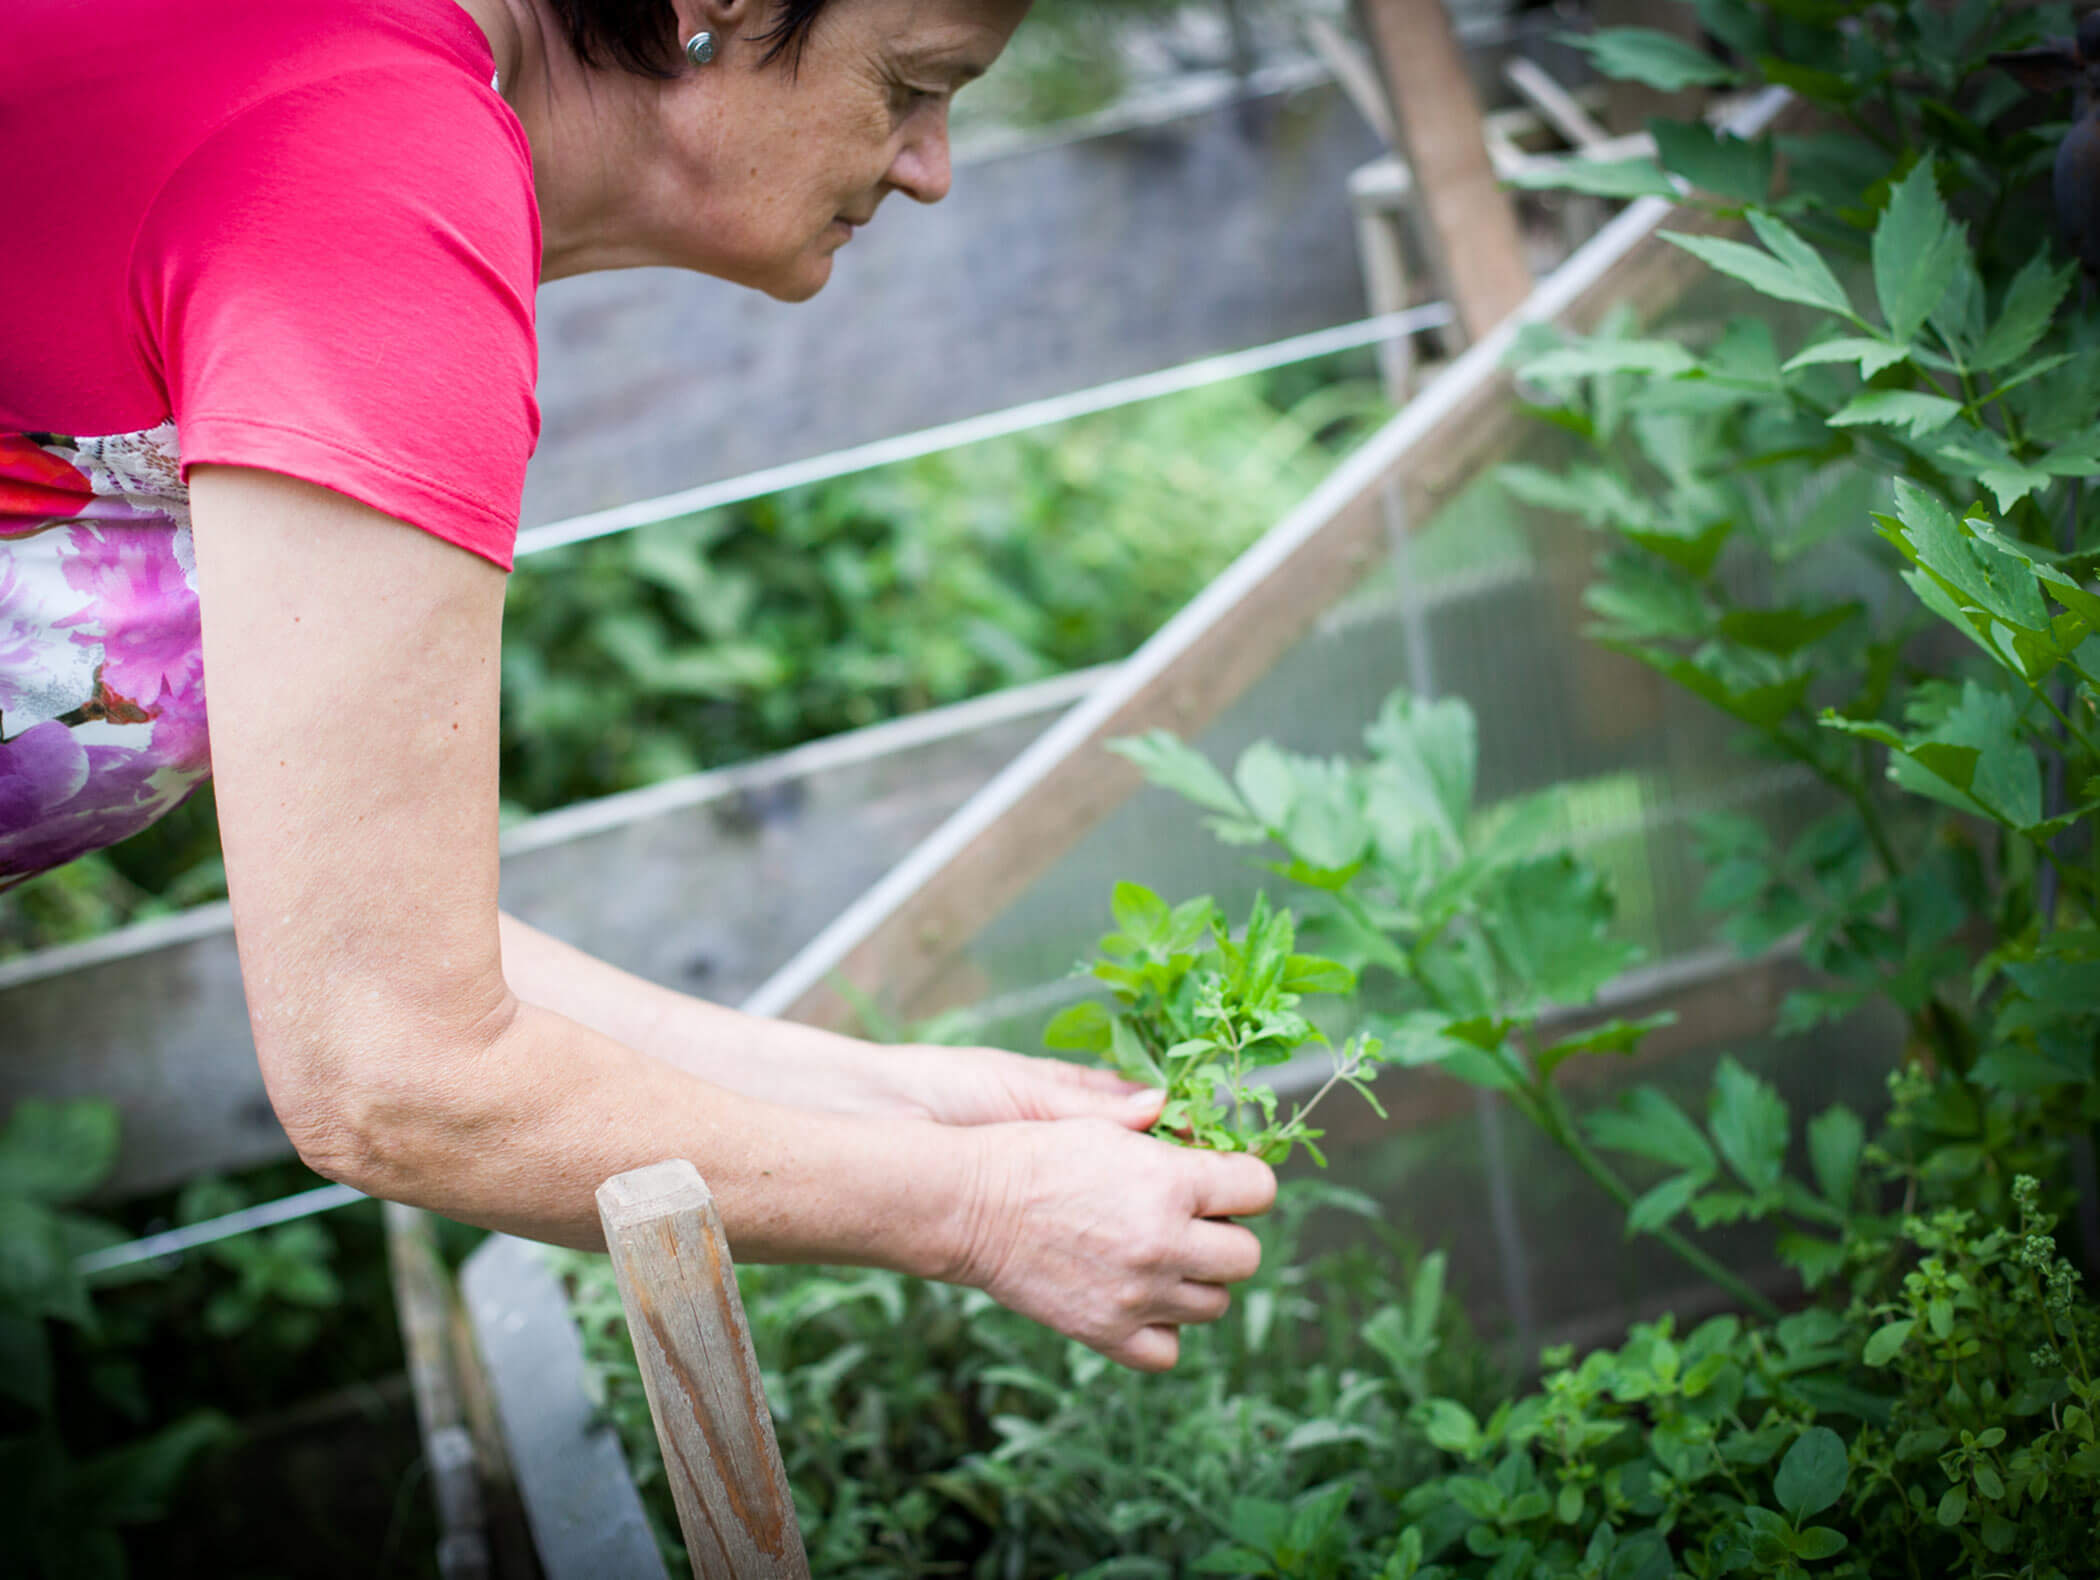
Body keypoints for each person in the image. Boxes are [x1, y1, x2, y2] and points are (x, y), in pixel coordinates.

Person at [0, 0, 1274, 1371]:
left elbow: (381, 949)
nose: (930, 166)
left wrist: (903, 1104)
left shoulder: (362, 83)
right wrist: (977, 1214)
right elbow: (393, 1071)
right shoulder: (379, 182)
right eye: (910, 84)